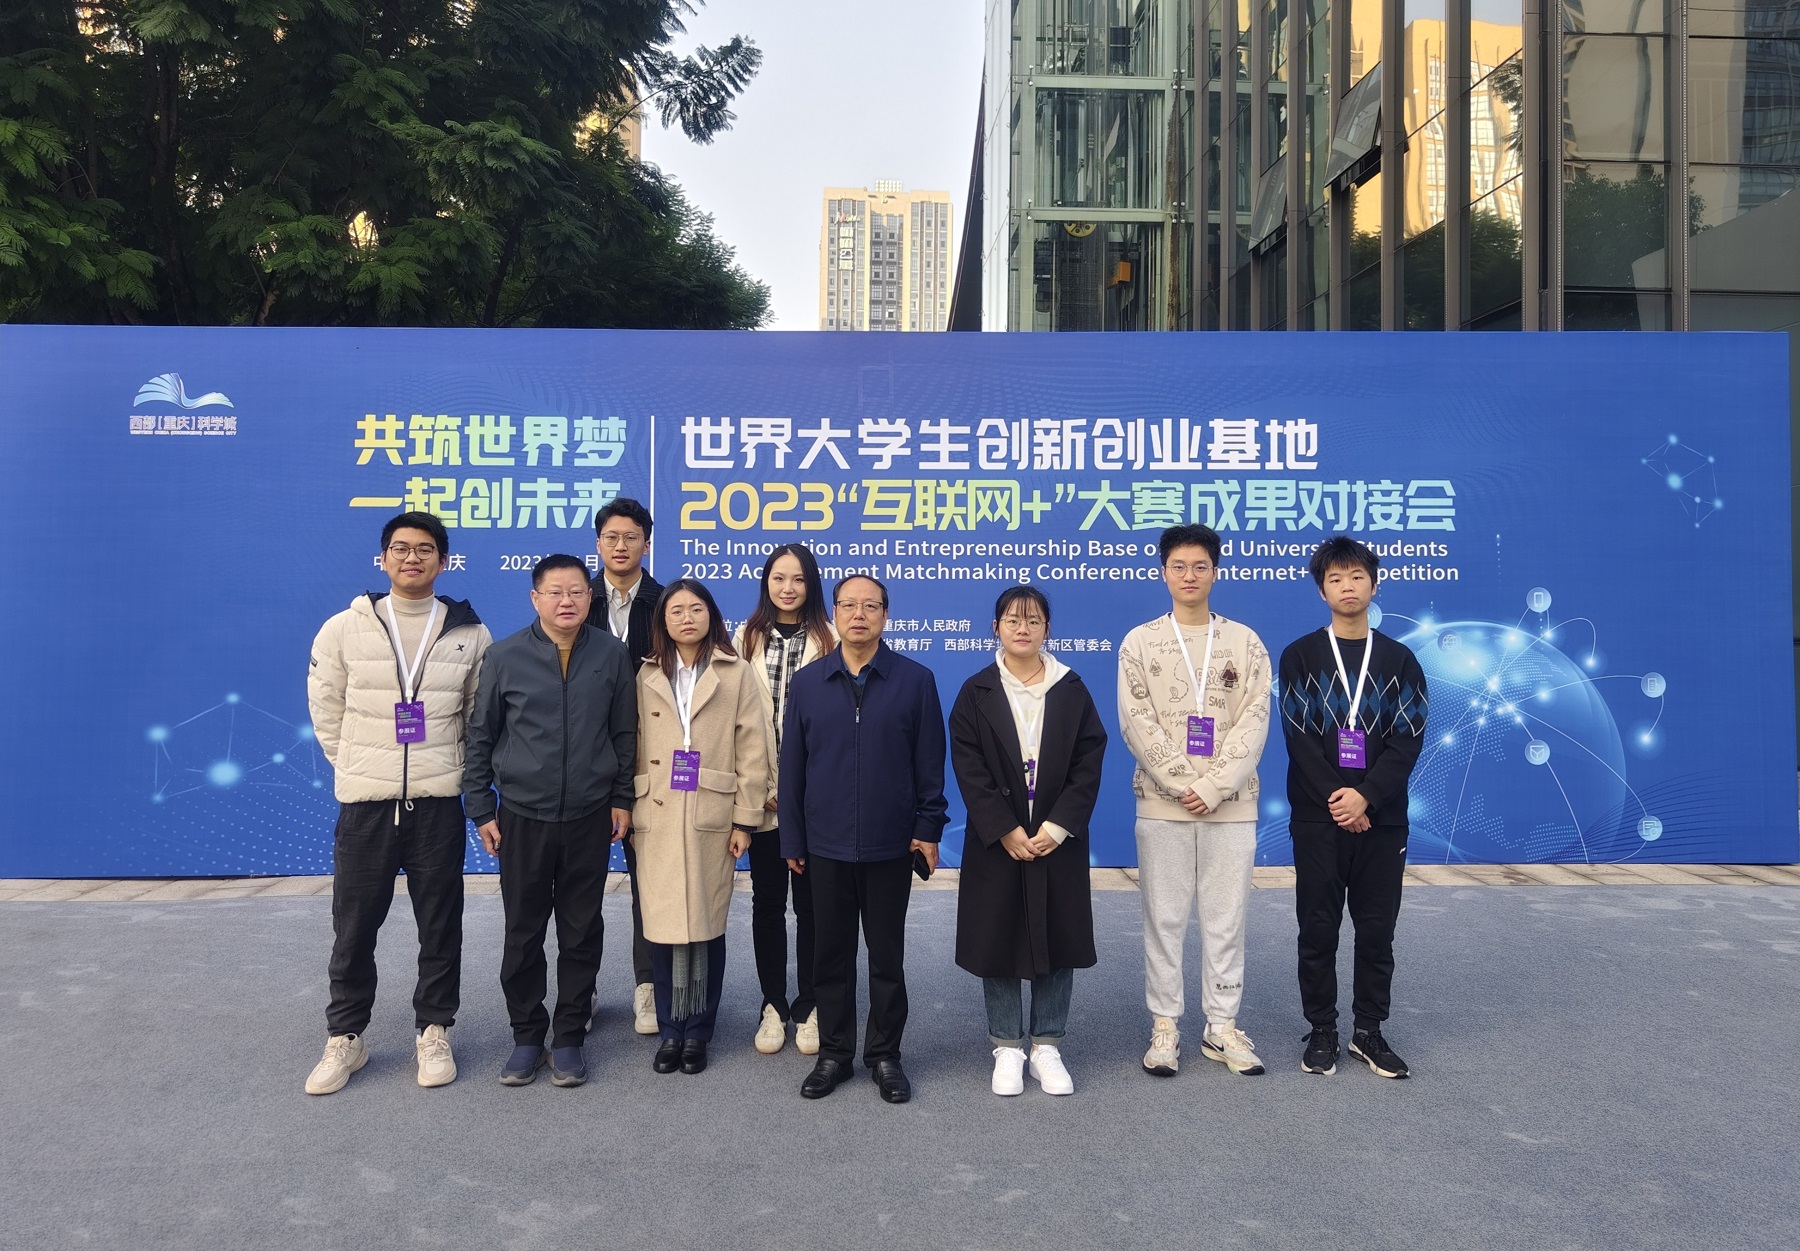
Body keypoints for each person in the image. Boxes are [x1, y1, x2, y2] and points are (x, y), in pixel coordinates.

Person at [303, 512, 491, 1096]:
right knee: (354, 927)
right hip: (368, 806)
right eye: (402, 549)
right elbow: (327, 709)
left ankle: (433, 1030)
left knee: (441, 925)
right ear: (383, 558)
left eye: (425, 550)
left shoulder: (469, 633)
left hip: (437, 804)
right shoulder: (344, 628)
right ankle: (345, 1036)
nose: (413, 558)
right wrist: (359, 766)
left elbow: (477, 718)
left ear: (443, 561)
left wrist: (454, 773)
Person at [463, 555, 636, 1089]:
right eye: (556, 592)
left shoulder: (610, 654)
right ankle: (526, 1035)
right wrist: (480, 806)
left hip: (589, 815)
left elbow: (624, 734)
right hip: (522, 816)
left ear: (590, 598)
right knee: (523, 931)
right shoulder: (505, 655)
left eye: (577, 592)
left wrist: (621, 797)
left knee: (582, 931)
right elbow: (481, 735)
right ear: (535, 598)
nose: (567, 601)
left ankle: (568, 1037)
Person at [780, 575, 947, 1104]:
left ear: (885, 615)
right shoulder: (808, 683)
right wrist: (792, 838)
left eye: (870, 606)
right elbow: (792, 769)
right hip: (824, 846)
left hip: (889, 845)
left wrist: (927, 828)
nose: (859, 615)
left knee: (886, 958)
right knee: (829, 957)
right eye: (849, 605)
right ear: (833, 613)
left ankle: (885, 1055)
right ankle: (834, 1054)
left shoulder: (915, 681)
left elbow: (929, 765)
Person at [1117, 523, 1272, 1079]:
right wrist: (1182, 782)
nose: (1189, 576)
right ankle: (1165, 1025)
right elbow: (1137, 721)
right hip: (1163, 806)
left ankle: (1221, 1025)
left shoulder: (1246, 642)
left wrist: (1212, 787)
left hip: (1231, 807)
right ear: (1164, 572)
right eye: (1179, 566)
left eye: (1200, 566)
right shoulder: (1139, 642)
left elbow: (1255, 719)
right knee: (1164, 919)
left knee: (1226, 920)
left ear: (1215, 572)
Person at [1278, 535, 1428, 1080]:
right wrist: (1341, 800)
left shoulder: (1400, 659)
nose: (1347, 586)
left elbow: (1409, 738)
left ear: (1374, 584)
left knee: (1377, 930)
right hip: (1318, 818)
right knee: (1317, 927)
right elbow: (1298, 739)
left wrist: (1367, 796)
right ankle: (1322, 1029)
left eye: (1357, 576)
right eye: (1336, 579)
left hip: (1382, 820)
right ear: (1322, 591)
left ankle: (1369, 1031)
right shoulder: (1300, 655)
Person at [950, 586, 1107, 1098]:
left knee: (1057, 936)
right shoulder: (976, 692)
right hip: (999, 839)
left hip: (1056, 838)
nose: (1023, 628)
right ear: (996, 627)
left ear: (1047, 630)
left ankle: (1046, 1045)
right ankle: (1007, 1047)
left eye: (1033, 621)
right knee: (997, 936)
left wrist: (1058, 827)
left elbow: (1088, 763)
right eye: (1013, 620)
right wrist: (1003, 828)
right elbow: (968, 766)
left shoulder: (1071, 689)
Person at [632, 579, 768, 1075]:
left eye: (695, 609)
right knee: (664, 924)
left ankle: (699, 1030)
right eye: (676, 611)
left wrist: (746, 820)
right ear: (663, 621)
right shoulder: (646, 672)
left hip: (712, 810)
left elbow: (753, 748)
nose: (686, 618)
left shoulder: (736, 672)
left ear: (711, 614)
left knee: (706, 921)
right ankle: (671, 1028)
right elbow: (632, 742)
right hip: (658, 811)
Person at [731, 545, 836, 1057]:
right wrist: (761, 788)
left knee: (812, 906)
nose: (788, 588)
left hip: (814, 798)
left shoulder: (832, 638)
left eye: (797, 579)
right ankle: (772, 1003)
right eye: (778, 578)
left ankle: (810, 1005)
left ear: (811, 584)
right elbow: (736, 720)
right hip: (761, 795)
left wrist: (800, 788)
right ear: (766, 583)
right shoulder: (744, 637)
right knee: (767, 903)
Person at [586, 497, 663, 1035]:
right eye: (611, 537)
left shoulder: (668, 603)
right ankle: (582, 989)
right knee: (581, 889)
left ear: (646, 544)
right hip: (586, 764)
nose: (620, 545)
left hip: (650, 764)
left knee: (650, 885)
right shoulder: (575, 598)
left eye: (631, 537)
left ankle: (648, 986)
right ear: (598, 543)